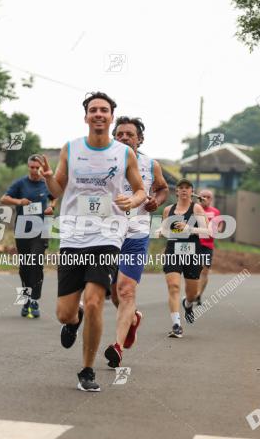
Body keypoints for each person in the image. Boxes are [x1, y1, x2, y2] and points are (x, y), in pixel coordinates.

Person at [37, 91, 146, 392]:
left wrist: (131, 199)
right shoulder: (70, 149)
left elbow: (140, 191)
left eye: (104, 110)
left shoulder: (124, 153)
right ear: (86, 116)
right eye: (93, 110)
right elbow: (58, 189)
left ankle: (86, 369)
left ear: (111, 117)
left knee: (96, 300)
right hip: (73, 235)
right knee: (64, 312)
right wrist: (48, 177)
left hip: (107, 234)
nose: (99, 114)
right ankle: (74, 321)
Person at [103, 116, 169, 369]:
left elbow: (162, 189)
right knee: (114, 294)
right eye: (119, 134)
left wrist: (156, 201)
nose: (123, 138)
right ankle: (132, 319)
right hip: (107, 234)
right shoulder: (103, 163)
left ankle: (117, 347)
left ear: (139, 139)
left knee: (126, 290)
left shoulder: (151, 165)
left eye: (129, 134)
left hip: (136, 234)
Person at [0, 156, 56, 319]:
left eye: (36, 167)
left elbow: (54, 197)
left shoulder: (46, 183)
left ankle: (34, 300)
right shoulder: (20, 183)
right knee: (25, 266)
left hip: (41, 229)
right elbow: (3, 199)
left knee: (36, 261)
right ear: (28, 167)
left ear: (41, 168)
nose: (33, 170)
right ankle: (26, 299)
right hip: (23, 229)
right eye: (31, 167)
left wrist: (51, 207)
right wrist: (19, 201)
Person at [158, 179, 210, 338]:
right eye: (181, 188)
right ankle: (176, 325)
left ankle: (187, 304)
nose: (184, 190)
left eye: (187, 188)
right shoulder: (168, 210)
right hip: (173, 250)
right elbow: (164, 228)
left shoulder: (197, 208)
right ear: (177, 191)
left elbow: (206, 231)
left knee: (192, 293)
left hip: (192, 251)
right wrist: (160, 230)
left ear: (191, 191)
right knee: (173, 286)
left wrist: (189, 228)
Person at [194, 189, 221, 305]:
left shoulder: (216, 212)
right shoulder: (193, 210)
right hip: (193, 244)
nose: (205, 198)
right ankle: (192, 292)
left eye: (208, 197)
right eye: (203, 196)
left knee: (204, 271)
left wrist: (214, 230)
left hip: (207, 245)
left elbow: (219, 228)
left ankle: (198, 294)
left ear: (211, 199)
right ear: (198, 198)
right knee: (193, 271)